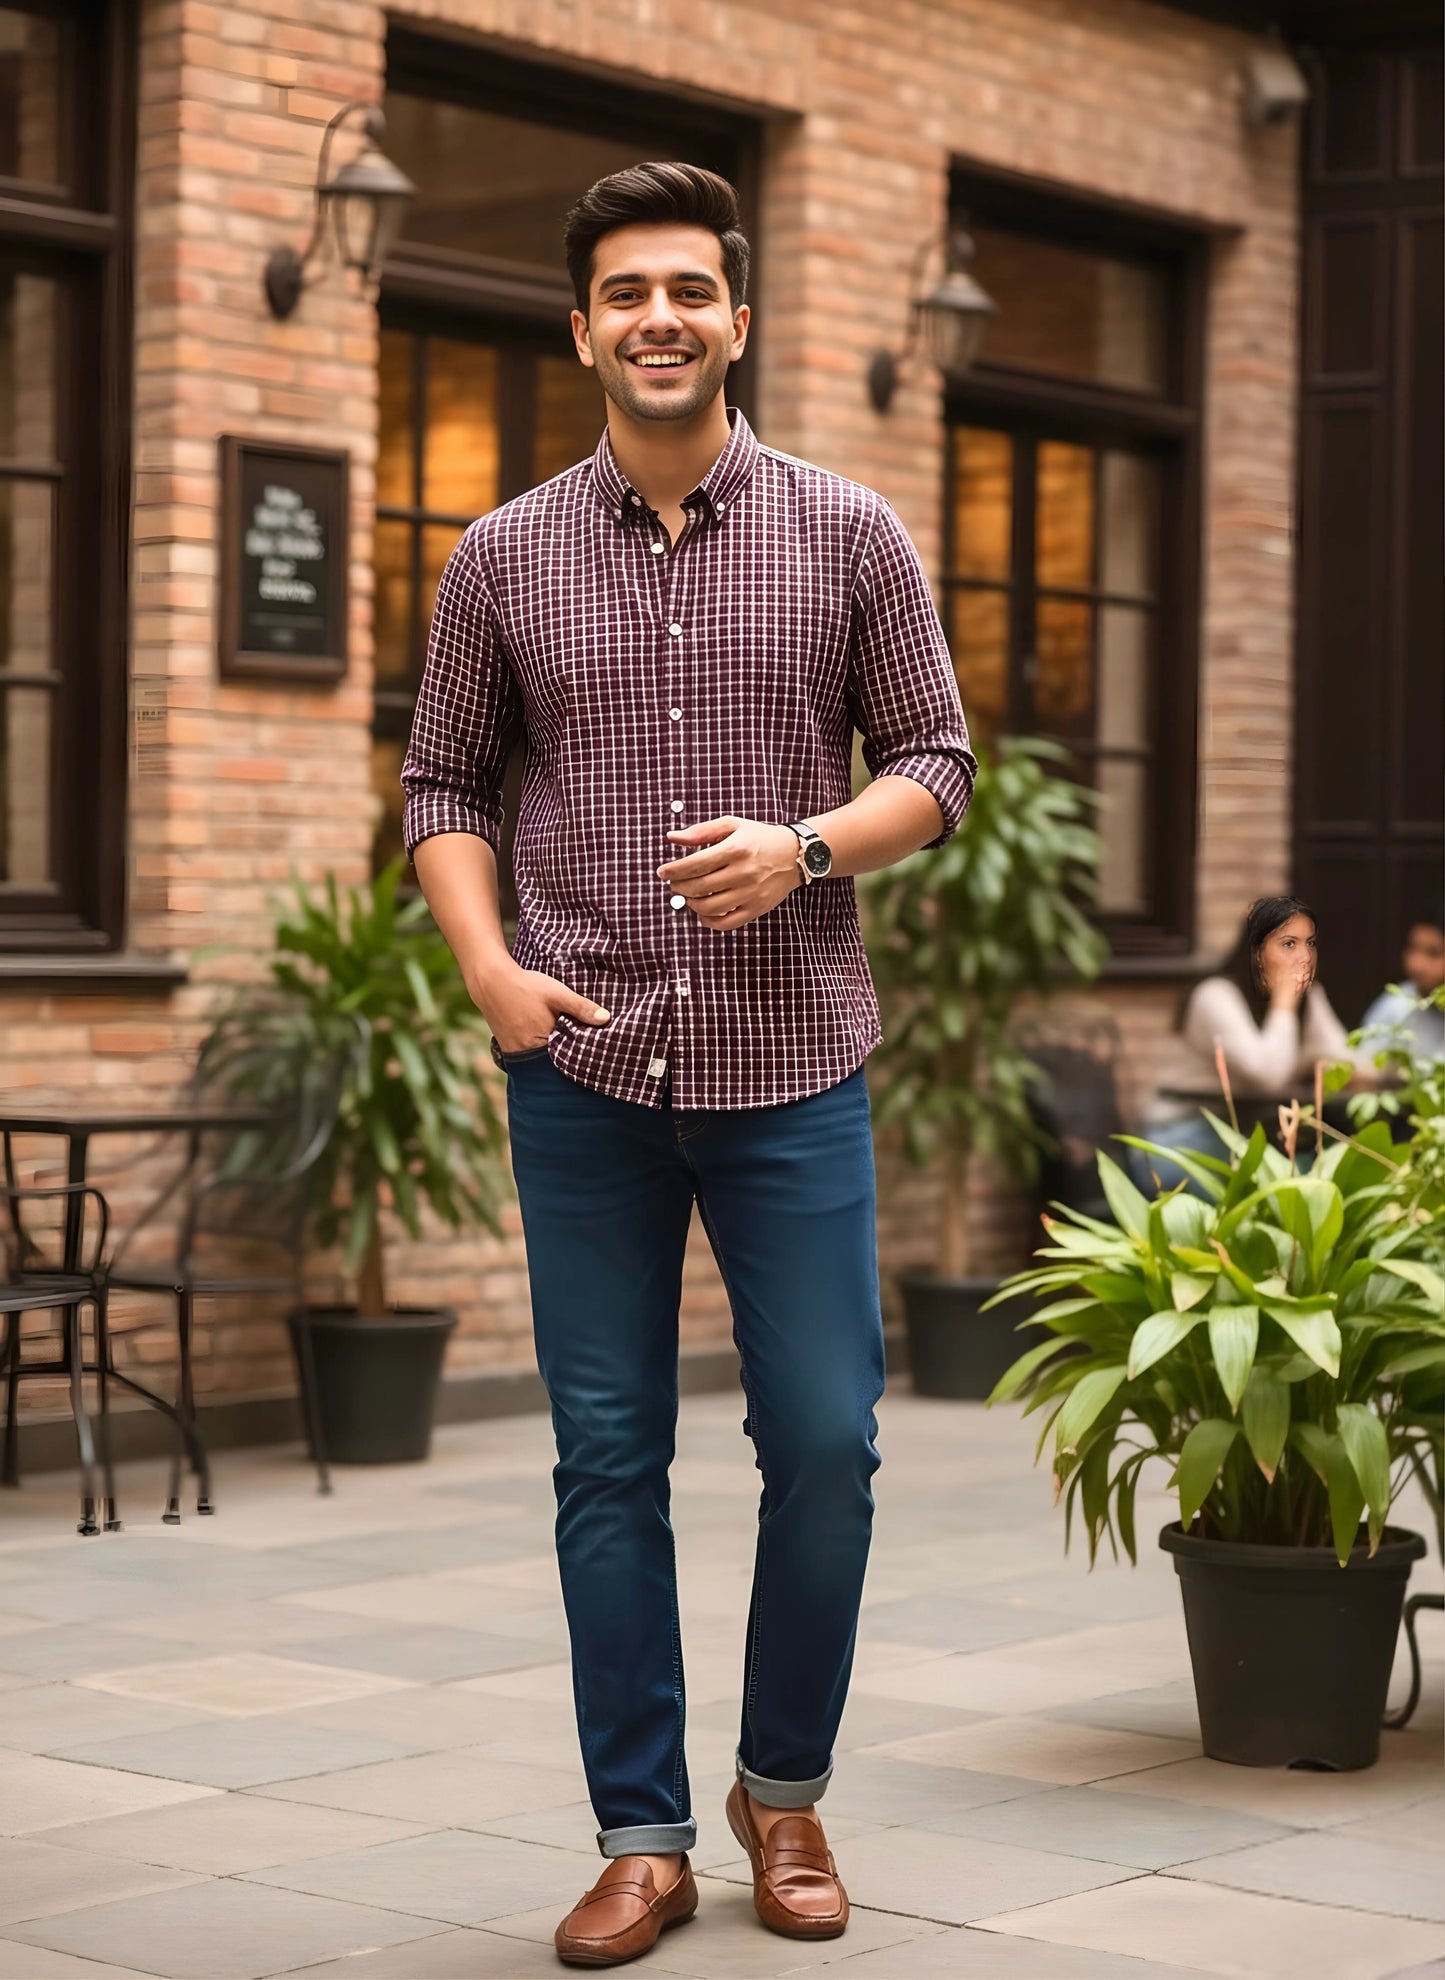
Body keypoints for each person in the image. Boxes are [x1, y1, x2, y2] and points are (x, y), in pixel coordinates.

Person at [402, 162, 973, 1969]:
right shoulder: (501, 556)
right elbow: (442, 789)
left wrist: (808, 847)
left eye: (691, 291)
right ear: (582, 329)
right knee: (605, 1458)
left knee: (828, 1440)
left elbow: (940, 764)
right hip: (581, 1070)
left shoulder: (850, 531)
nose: (660, 317)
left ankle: (780, 1790)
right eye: (625, 292)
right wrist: (489, 966)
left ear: (738, 319)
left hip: (793, 1062)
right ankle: (641, 1832)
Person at [1136, 895, 1373, 1191]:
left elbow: (1350, 1061)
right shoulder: (1215, 995)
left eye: (1309, 944)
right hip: (1183, 1135)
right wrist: (1284, 1001)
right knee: (1298, 1187)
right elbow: (1267, 1076)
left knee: (1328, 1179)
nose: (1302, 957)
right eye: (1288, 944)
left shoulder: (1308, 998)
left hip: (1249, 1135)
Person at [1360, 920, 1445, 1064]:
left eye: (1433, 953)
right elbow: (1362, 1065)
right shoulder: (1394, 1005)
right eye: (1413, 949)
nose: (1417, 965)